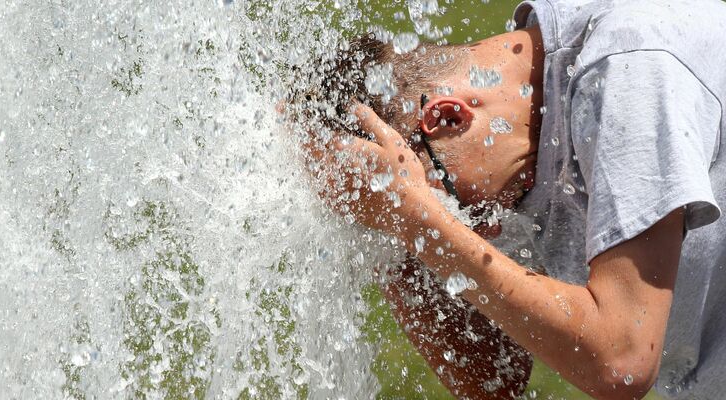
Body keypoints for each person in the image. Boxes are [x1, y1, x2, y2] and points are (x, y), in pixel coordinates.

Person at [290, 0, 726, 398]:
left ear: (447, 117)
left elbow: (621, 361)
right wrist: (392, 229)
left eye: (449, 205)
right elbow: (496, 377)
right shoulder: (506, 147)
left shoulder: (628, 68)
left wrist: (418, 218)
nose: (484, 230)